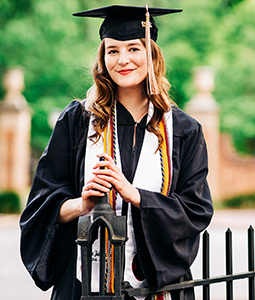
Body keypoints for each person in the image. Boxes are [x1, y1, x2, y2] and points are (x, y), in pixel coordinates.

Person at [20, 5, 213, 300]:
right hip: (83, 285)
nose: (123, 60)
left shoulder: (183, 131)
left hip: (156, 288)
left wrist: (137, 197)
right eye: (112, 51)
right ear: (102, 57)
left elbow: (196, 211)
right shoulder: (78, 121)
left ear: (152, 55)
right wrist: (80, 204)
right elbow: (40, 208)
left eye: (134, 48)